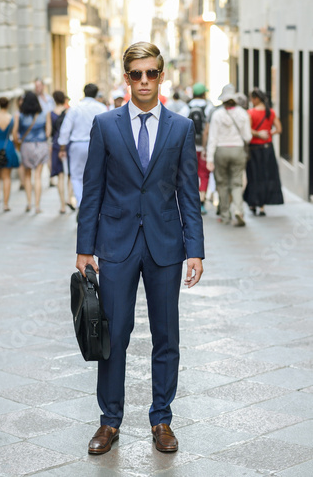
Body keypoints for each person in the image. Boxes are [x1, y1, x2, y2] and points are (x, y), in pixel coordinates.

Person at [76, 41, 204, 455]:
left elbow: (189, 193)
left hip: (166, 246)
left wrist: (195, 250)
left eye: (151, 73)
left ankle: (161, 419)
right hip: (116, 245)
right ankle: (109, 422)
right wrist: (85, 248)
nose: (144, 81)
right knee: (113, 334)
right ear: (126, 77)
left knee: (167, 336)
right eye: (136, 74)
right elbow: (92, 189)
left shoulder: (181, 128)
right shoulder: (105, 125)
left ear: (161, 76)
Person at [206, 84, 252, 226]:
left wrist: (209, 159)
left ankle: (225, 215)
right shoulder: (243, 114)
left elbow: (212, 138)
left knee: (222, 183)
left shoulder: (217, 114)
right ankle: (238, 210)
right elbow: (248, 137)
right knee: (237, 183)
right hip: (237, 150)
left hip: (221, 151)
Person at [58, 83, 107, 208]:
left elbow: (65, 129)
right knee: (97, 175)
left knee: (76, 176)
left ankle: (81, 203)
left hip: (78, 145)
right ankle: (93, 203)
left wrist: (62, 146)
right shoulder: (101, 108)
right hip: (96, 145)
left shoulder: (75, 108)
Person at [244, 88, 283, 215]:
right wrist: (269, 133)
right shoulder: (270, 112)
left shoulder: (250, 112)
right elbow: (279, 129)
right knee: (266, 176)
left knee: (254, 176)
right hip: (268, 149)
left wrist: (259, 134)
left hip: (254, 149)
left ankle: (253, 203)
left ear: (255, 99)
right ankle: (262, 207)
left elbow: (248, 130)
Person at [12, 91, 51, 213]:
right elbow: (48, 132)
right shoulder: (45, 114)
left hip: (26, 146)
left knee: (27, 176)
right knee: (38, 176)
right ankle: (37, 206)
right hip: (41, 145)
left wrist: (17, 142)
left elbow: (14, 133)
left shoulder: (19, 115)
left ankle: (29, 203)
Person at [188, 83, 214, 214]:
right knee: (204, 174)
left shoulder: (186, 107)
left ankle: (192, 201)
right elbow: (209, 130)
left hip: (190, 147)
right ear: (203, 94)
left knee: (191, 174)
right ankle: (202, 201)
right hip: (204, 147)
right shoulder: (209, 107)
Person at [49, 90, 75, 214]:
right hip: (68, 144)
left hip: (56, 144)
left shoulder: (50, 114)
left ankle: (62, 205)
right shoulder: (69, 111)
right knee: (70, 174)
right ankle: (70, 198)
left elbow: (48, 132)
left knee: (60, 175)